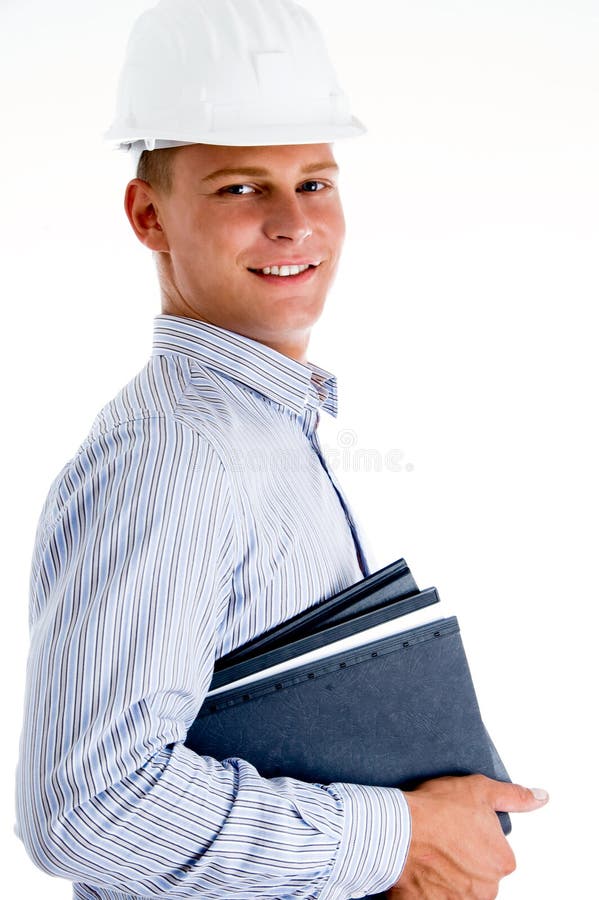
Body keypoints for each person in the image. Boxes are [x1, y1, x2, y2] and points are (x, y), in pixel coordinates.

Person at [15, 1, 548, 898]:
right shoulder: (174, 452)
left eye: (314, 181)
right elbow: (88, 806)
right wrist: (398, 836)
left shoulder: (268, 426)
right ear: (148, 215)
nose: (293, 222)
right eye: (238, 187)